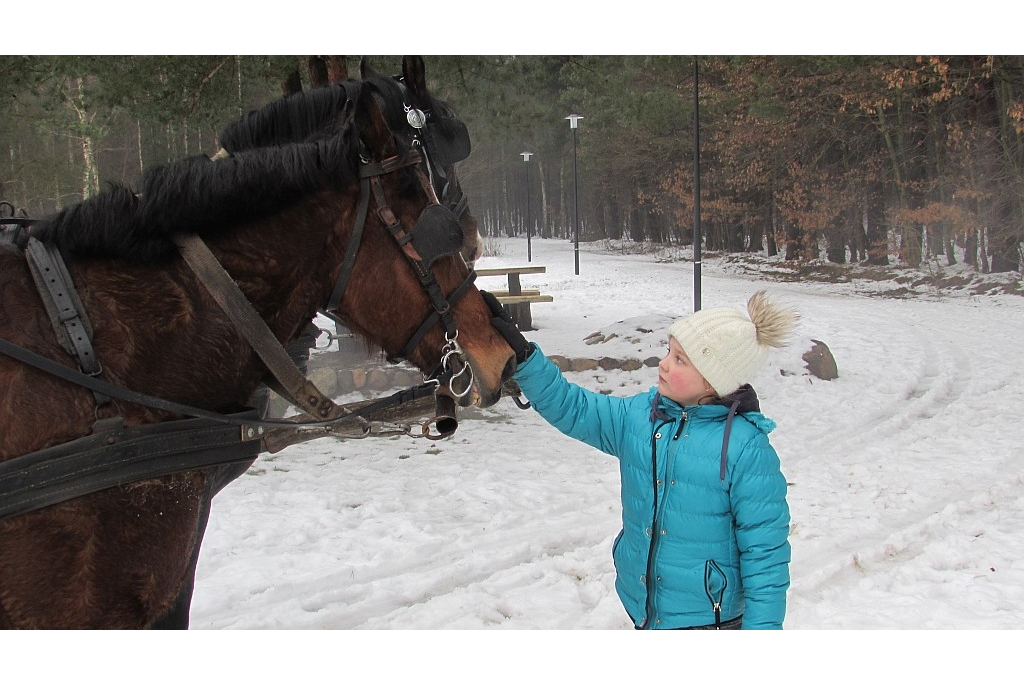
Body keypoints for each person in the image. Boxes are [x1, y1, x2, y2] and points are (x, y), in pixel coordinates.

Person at [483, 289, 798, 630]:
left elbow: (765, 556)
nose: (663, 362)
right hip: (646, 607)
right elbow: (573, 407)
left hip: (710, 619)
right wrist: (526, 357)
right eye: (669, 350)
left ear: (713, 381)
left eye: (680, 359)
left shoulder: (746, 449)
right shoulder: (641, 417)